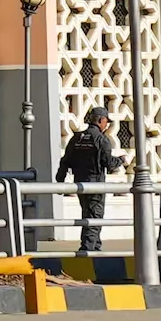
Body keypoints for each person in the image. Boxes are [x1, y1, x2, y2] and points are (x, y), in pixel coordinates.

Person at [56, 105, 121, 256]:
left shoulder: (77, 138)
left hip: (80, 183)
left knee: (87, 214)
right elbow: (109, 163)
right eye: (106, 122)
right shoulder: (101, 140)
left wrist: (60, 181)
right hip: (96, 184)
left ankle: (95, 247)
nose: (107, 125)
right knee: (95, 216)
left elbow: (65, 161)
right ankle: (88, 249)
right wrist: (121, 160)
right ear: (101, 120)